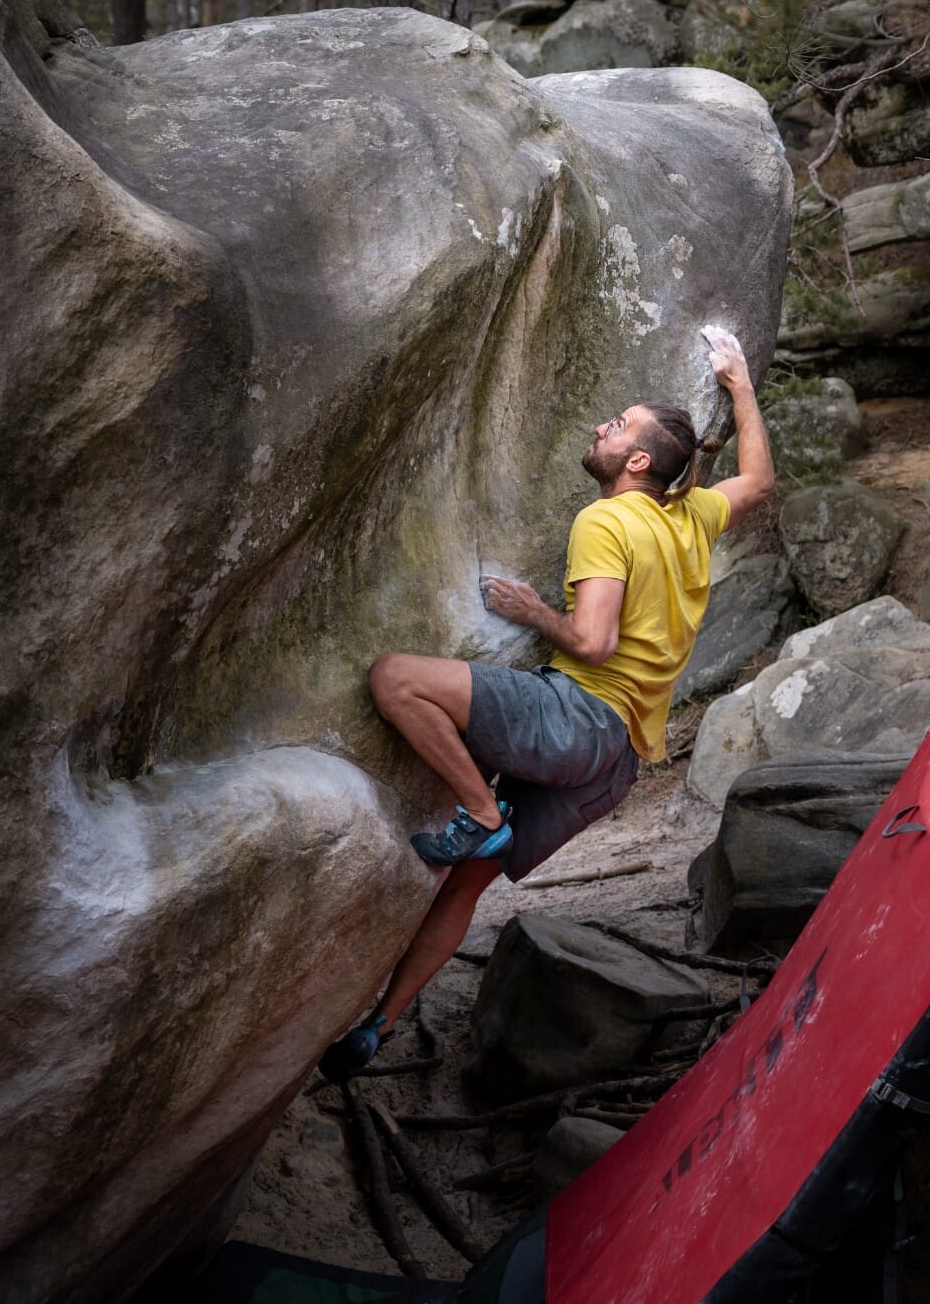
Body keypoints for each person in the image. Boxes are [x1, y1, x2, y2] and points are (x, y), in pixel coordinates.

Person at [319, 325, 774, 1077]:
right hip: (613, 764)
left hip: (575, 719)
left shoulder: (607, 520)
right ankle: (378, 1026)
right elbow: (756, 483)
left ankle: (481, 812)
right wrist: (741, 383)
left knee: (396, 679)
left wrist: (533, 613)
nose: (602, 425)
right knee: (463, 886)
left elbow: (593, 644)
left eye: (618, 424)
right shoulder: (685, 518)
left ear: (635, 462)